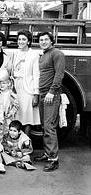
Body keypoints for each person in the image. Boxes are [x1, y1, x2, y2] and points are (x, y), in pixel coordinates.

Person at [34, 31, 65, 172]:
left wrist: (52, 92)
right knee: (44, 126)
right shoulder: (44, 55)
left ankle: (53, 159)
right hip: (42, 94)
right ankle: (47, 154)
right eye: (41, 40)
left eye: (46, 39)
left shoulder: (57, 54)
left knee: (49, 126)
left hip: (50, 94)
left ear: (51, 41)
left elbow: (59, 74)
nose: (43, 42)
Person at [12, 30, 40, 135]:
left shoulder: (34, 55)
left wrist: (36, 94)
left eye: (24, 39)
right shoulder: (15, 53)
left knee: (27, 115)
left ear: (28, 41)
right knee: (17, 113)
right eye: (19, 39)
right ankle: (15, 140)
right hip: (16, 86)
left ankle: (25, 140)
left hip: (28, 88)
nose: (21, 41)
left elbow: (36, 75)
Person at [0, 68, 19, 142]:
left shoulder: (11, 94)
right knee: (0, 131)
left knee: (8, 130)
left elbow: (16, 105)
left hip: (9, 116)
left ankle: (8, 145)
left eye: (4, 83)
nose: (2, 85)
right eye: (0, 83)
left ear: (9, 83)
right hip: (0, 116)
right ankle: (0, 144)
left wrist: (11, 113)